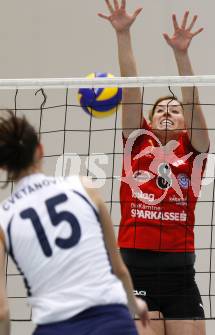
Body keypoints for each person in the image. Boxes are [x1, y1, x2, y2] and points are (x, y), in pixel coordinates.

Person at [98, 1, 209, 334]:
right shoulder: (136, 144)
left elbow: (193, 102)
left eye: (174, 110)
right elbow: (132, 90)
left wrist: (181, 55)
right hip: (136, 269)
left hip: (180, 273)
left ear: (185, 122)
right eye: (160, 107)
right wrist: (123, 33)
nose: (166, 111)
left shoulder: (195, 151)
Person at [0, 110, 149, 335]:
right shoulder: (84, 187)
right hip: (111, 320)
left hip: (55, 327)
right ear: (40, 150)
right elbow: (119, 269)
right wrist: (134, 304)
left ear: (3, 166)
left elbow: (2, 311)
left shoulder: (3, 218)